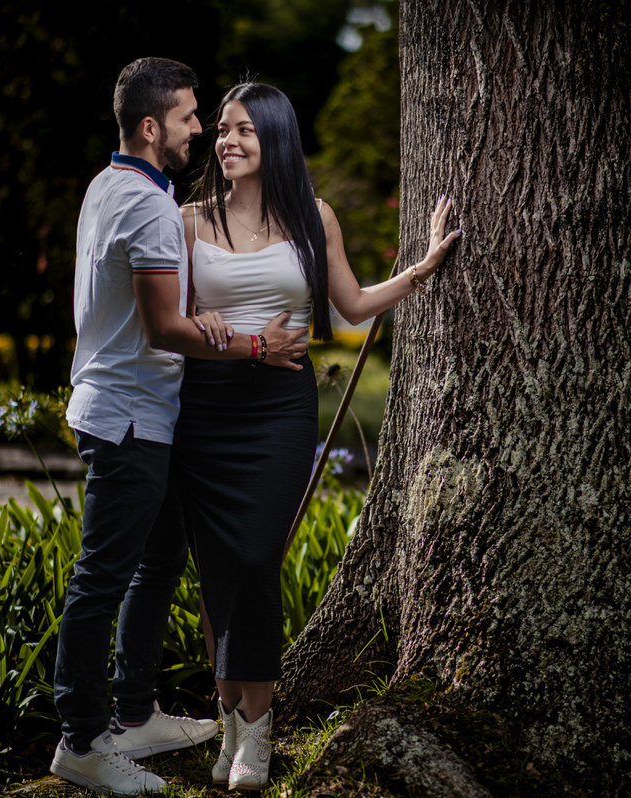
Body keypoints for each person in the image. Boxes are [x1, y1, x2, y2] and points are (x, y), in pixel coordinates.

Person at [175, 82, 461, 791]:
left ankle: (260, 730)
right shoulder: (185, 221)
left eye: (243, 130)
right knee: (216, 574)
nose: (227, 142)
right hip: (204, 407)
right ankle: (231, 722)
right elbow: (168, 318)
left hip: (278, 410)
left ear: (274, 138)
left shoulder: (312, 217)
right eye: (221, 130)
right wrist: (213, 329)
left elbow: (354, 304)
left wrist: (421, 269)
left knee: (254, 558)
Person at [51, 60, 307, 797]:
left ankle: (136, 714)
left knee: (156, 565)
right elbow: (165, 328)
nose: (202, 129)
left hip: (140, 414)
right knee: (102, 578)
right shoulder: (153, 208)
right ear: (151, 127)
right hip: (130, 416)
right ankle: (82, 742)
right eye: (193, 118)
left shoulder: (111, 187)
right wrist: (252, 345)